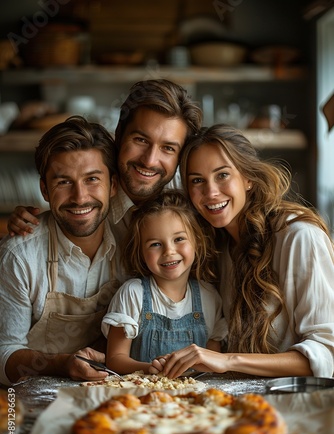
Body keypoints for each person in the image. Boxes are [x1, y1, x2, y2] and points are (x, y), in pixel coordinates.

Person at [159, 124, 334, 379]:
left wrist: (228, 360)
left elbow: (326, 354)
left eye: (222, 175)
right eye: (197, 180)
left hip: (299, 405)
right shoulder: (216, 246)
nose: (211, 192)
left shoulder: (298, 237)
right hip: (242, 401)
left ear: (248, 177)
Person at [6, 79, 203, 246]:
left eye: (168, 148)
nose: (149, 160)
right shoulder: (93, 184)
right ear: (118, 133)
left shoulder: (193, 195)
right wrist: (22, 220)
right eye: (141, 140)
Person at [0, 116, 121, 385]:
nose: (80, 197)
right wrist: (62, 365)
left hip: (115, 394)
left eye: (92, 179)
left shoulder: (135, 242)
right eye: (64, 182)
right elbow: (4, 355)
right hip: (31, 397)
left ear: (113, 185)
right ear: (44, 189)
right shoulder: (19, 255)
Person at [101, 190, 225, 375]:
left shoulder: (209, 296)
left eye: (179, 239)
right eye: (155, 244)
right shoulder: (133, 293)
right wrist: (151, 369)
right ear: (140, 252)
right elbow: (115, 359)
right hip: (141, 396)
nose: (169, 251)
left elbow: (213, 359)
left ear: (197, 242)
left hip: (195, 398)